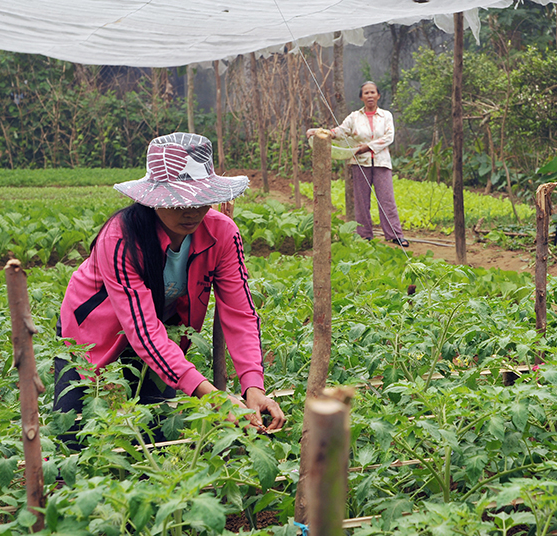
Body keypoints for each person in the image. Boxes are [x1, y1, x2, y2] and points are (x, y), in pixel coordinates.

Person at [54, 132, 285, 447]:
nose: (190, 210)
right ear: (153, 198)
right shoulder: (120, 238)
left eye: (200, 199)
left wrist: (253, 386)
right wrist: (212, 397)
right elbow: (142, 331)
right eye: (177, 201)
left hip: (163, 332)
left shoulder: (222, 233)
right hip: (90, 330)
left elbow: (240, 313)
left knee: (155, 431)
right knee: (73, 432)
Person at [307, 81, 408, 247]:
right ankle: (364, 236)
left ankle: (395, 235)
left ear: (378, 95)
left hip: (381, 162)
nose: (370, 96)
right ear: (361, 97)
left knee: (387, 200)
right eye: (366, 93)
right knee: (362, 201)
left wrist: (367, 147)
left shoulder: (386, 116)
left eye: (372, 92)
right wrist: (319, 132)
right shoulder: (354, 117)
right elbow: (340, 131)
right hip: (360, 163)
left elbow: (389, 137)